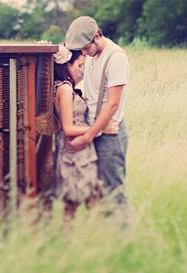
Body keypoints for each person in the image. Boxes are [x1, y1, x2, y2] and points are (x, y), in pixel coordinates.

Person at [65, 16, 130, 208]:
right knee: (98, 192)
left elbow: (112, 105)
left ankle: (124, 235)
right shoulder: (91, 56)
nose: (84, 52)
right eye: (81, 50)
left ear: (96, 35)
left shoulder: (116, 58)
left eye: (86, 47)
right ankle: (106, 234)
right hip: (95, 130)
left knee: (113, 193)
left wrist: (86, 137)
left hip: (109, 135)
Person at [52, 44, 103, 219]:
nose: (82, 71)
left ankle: (76, 241)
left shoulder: (64, 87)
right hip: (75, 150)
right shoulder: (65, 89)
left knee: (73, 202)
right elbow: (68, 127)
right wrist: (98, 129)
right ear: (66, 65)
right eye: (79, 65)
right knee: (86, 198)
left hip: (78, 147)